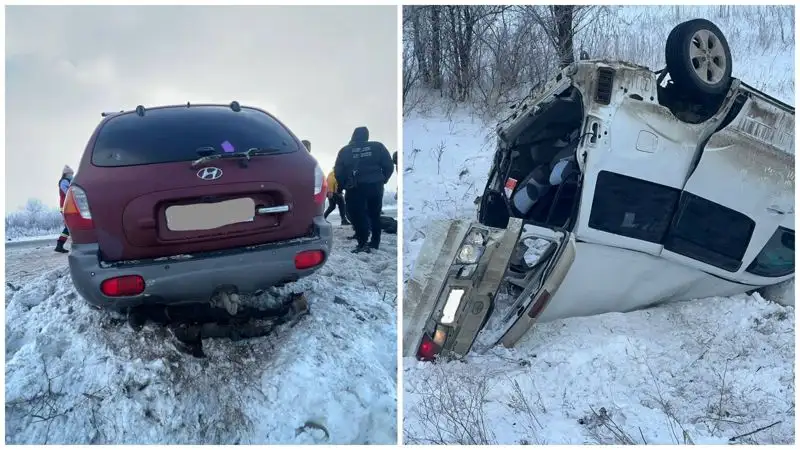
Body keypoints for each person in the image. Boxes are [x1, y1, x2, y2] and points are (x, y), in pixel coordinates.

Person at [334, 126, 394, 253]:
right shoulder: (378, 147)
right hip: (375, 186)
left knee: (357, 215)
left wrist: (342, 186)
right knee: (375, 214)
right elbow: (389, 165)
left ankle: (362, 243)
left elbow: (338, 171)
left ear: (353, 135)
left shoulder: (345, 151)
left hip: (355, 187)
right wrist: (383, 179)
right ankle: (375, 242)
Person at [55, 165, 74, 254]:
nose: (72, 175)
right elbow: (68, 193)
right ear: (66, 174)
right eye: (71, 173)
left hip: (69, 207)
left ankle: (60, 245)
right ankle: (59, 245)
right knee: (69, 226)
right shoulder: (64, 182)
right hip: (65, 207)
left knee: (70, 226)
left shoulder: (69, 181)